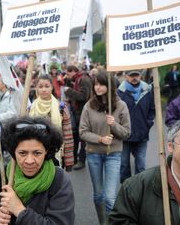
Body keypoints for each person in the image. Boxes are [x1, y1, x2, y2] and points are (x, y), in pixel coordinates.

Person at [0, 117, 75, 225]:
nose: (29, 161)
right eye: (22, 153)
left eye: (37, 153)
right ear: (14, 152)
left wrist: (19, 210)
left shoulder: (59, 180)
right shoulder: (1, 174)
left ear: (46, 151)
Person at [79, 70, 131, 224]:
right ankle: (103, 221)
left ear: (110, 86)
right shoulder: (89, 106)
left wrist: (113, 125)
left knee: (110, 197)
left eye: (102, 84)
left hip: (113, 154)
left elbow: (127, 133)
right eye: (96, 84)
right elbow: (83, 132)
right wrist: (100, 139)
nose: (98, 87)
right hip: (93, 153)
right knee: (98, 195)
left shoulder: (121, 106)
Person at [29, 74, 75, 171]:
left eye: (47, 86)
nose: (44, 89)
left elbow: (67, 135)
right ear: (36, 88)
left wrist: (68, 158)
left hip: (55, 151)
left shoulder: (61, 107)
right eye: (40, 86)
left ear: (52, 87)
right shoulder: (30, 108)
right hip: (34, 152)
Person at [117, 70, 155, 183]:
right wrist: (120, 128)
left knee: (141, 164)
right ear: (125, 76)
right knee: (124, 164)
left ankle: (139, 187)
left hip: (142, 134)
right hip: (124, 135)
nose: (134, 78)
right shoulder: (120, 93)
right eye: (131, 75)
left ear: (141, 76)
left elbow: (152, 110)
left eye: (136, 75)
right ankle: (126, 187)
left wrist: (148, 124)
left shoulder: (147, 91)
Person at [64, 65, 92, 170]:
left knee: (83, 138)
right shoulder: (76, 79)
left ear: (73, 71)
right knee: (74, 137)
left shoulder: (83, 79)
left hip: (83, 113)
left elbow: (84, 96)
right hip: (76, 112)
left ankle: (81, 160)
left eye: (68, 73)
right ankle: (74, 159)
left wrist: (69, 91)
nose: (67, 76)